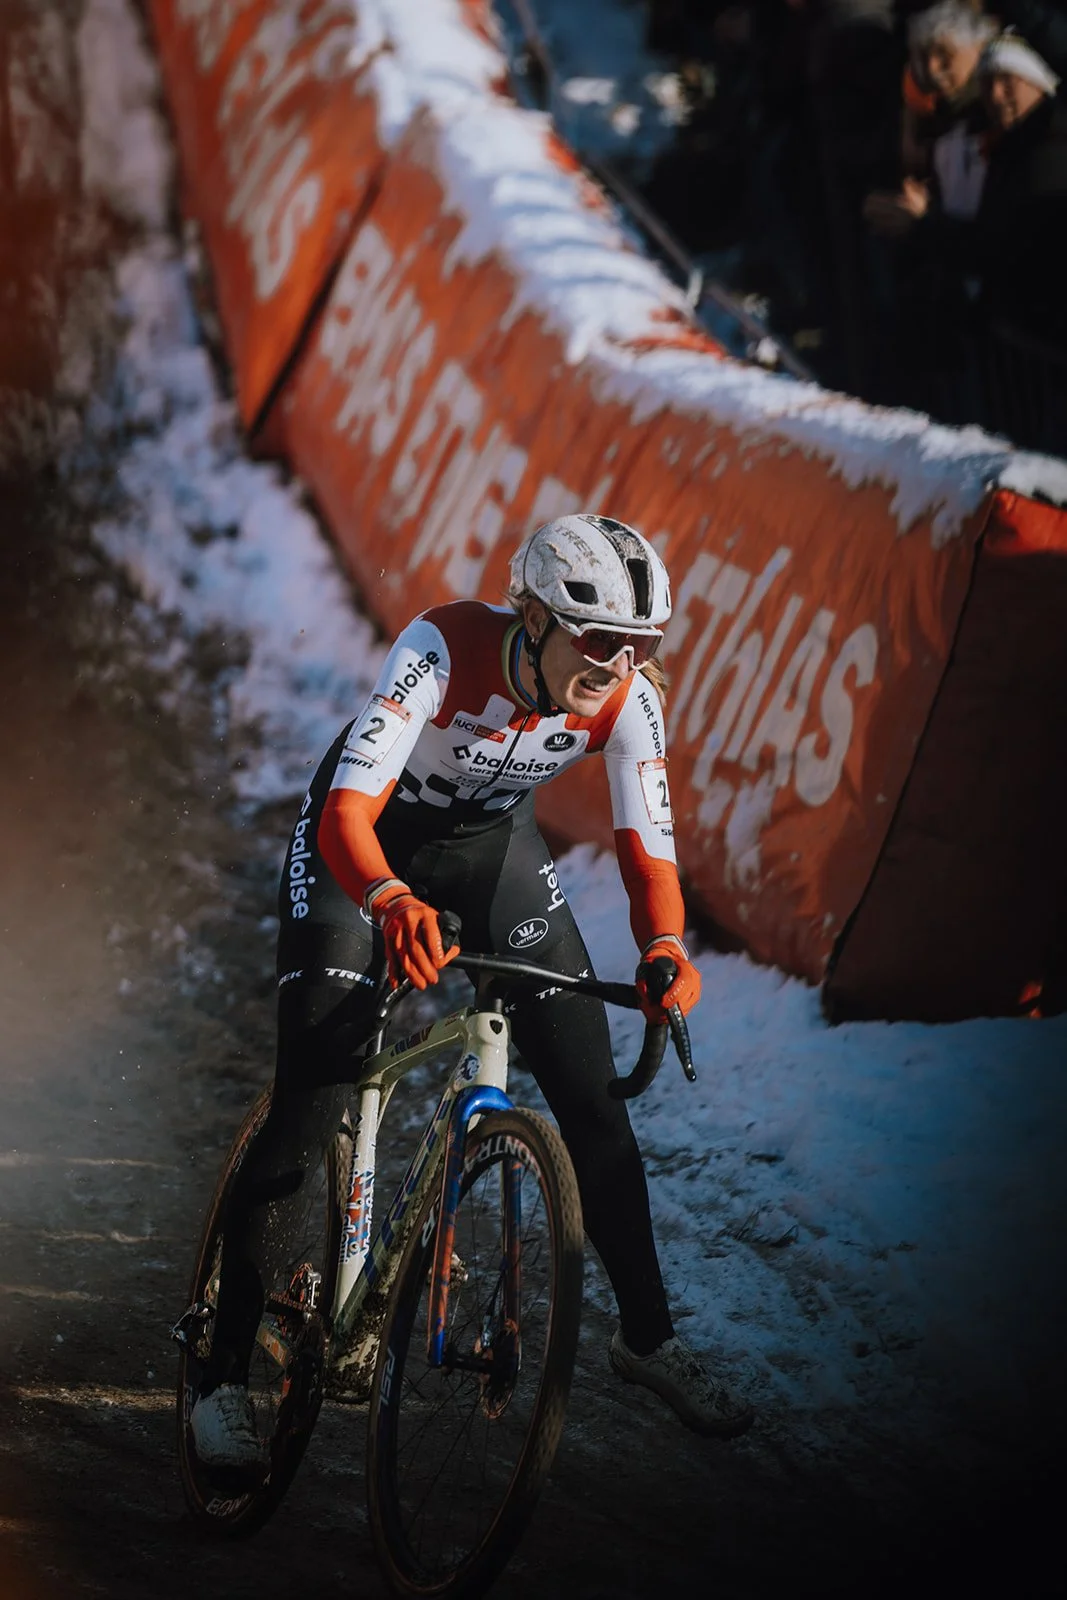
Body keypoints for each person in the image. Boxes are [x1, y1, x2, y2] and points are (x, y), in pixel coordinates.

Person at [189, 514, 756, 1469]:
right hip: (361, 850)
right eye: (600, 641)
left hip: (491, 857)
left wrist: (665, 945)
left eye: (639, 647)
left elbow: (648, 850)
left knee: (593, 1101)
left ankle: (647, 1338)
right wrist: (386, 897)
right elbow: (347, 810)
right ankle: (219, 1374)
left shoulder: (626, 703)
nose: (617, 663)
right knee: (313, 1095)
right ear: (533, 619)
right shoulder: (442, 647)